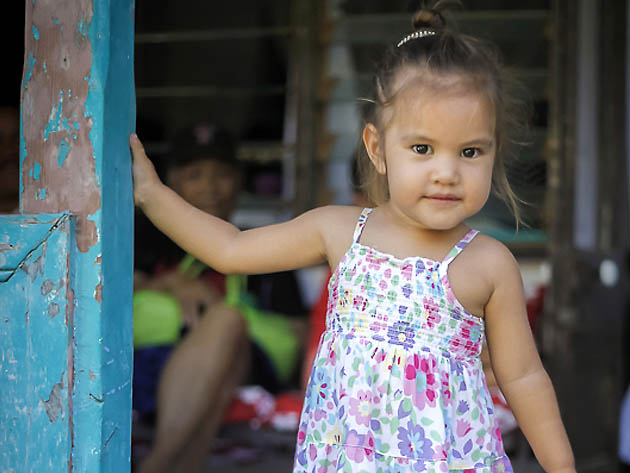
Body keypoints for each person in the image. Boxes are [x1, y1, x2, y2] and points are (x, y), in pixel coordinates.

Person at [130, 5, 575, 473]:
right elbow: (231, 249)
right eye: (422, 148)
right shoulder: (340, 231)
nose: (447, 172)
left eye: (470, 151)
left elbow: (523, 376)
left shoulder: (489, 263)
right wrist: (153, 195)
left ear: (493, 153)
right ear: (378, 149)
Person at [132, 124, 306, 473]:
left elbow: (300, 332)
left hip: (246, 364)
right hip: (154, 361)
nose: (210, 187)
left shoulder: (266, 246)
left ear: (239, 182)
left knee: (227, 321)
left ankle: (157, 464)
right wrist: (170, 284)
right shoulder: (142, 238)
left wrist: (218, 311)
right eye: (195, 174)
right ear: (171, 182)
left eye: (223, 174)